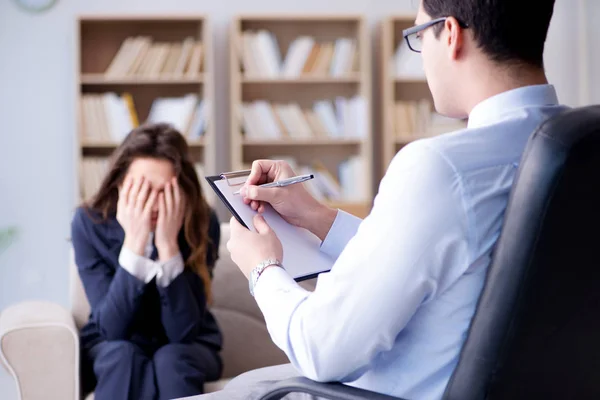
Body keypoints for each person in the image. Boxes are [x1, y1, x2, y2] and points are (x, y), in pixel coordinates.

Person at [195, 0, 567, 399]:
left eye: (418, 36)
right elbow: (452, 256)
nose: (421, 54)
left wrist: (262, 267)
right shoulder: (574, 147)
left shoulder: (441, 168)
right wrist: (318, 217)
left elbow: (321, 348)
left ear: (452, 35)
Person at [71, 123, 222, 400]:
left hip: (189, 345)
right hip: (112, 344)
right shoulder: (88, 223)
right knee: (122, 356)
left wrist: (168, 247)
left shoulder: (202, 222)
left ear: (182, 191)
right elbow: (112, 329)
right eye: (142, 188)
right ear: (120, 184)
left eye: (163, 191)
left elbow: (183, 332)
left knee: (172, 360)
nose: (152, 204)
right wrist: (134, 244)